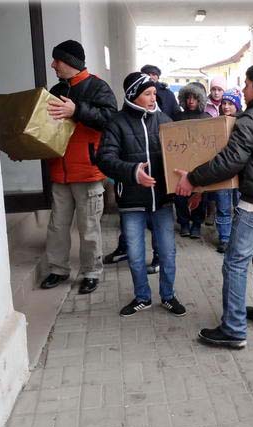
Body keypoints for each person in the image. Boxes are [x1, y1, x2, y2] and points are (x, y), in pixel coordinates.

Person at [175, 62, 253, 349]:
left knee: (235, 263)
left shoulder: (251, 121)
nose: (242, 90)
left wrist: (193, 178)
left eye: (246, 84)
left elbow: (229, 161)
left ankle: (233, 329)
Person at [96, 72, 186, 318]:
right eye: (147, 93)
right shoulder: (116, 123)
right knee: (135, 255)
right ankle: (142, 297)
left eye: (154, 93)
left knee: (167, 252)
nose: (152, 98)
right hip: (132, 201)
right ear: (133, 95)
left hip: (163, 201)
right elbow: (105, 159)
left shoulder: (165, 121)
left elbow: (179, 158)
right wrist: (134, 172)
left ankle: (168, 296)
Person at [40, 39, 117, 294]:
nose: (53, 65)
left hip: (87, 171)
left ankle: (91, 272)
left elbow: (109, 120)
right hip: (59, 171)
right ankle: (57, 270)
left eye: (57, 60)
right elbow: (44, 126)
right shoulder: (56, 88)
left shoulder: (98, 87)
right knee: (57, 226)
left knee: (89, 228)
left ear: (70, 62)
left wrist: (77, 110)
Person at [173, 83, 212, 238]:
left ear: (200, 100)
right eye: (188, 97)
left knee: (200, 195)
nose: (191, 101)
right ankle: (183, 223)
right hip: (181, 162)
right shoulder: (177, 117)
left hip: (200, 163)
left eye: (195, 98)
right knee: (180, 195)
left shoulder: (207, 118)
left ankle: (196, 224)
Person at [210, 88, 243, 254]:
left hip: (240, 173)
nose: (226, 107)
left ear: (237, 105)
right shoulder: (216, 123)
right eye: (224, 103)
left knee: (240, 206)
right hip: (222, 172)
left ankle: (238, 238)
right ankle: (224, 238)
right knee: (223, 207)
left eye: (230, 103)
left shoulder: (244, 122)